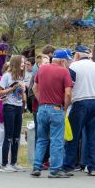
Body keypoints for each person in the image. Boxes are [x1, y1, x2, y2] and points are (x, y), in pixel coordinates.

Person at [62, 45, 95, 176]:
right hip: (94, 102)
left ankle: (68, 165)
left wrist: (67, 102)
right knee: (93, 135)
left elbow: (69, 87)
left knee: (73, 135)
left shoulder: (74, 67)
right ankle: (93, 166)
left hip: (80, 102)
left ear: (77, 55)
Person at [31, 49, 73, 178]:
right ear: (63, 60)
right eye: (68, 60)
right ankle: (55, 169)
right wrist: (65, 107)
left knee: (41, 139)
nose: (69, 62)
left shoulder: (42, 69)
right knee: (56, 140)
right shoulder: (64, 71)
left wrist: (41, 100)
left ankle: (36, 166)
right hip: (56, 108)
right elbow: (68, 93)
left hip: (42, 108)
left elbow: (34, 88)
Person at [0, 54, 26, 172]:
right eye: (22, 62)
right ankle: (4, 164)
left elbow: (21, 93)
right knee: (8, 136)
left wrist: (24, 103)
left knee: (16, 136)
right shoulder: (7, 76)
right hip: (9, 107)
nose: (24, 64)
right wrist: (11, 89)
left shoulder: (21, 77)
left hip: (18, 107)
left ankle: (14, 162)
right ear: (16, 64)